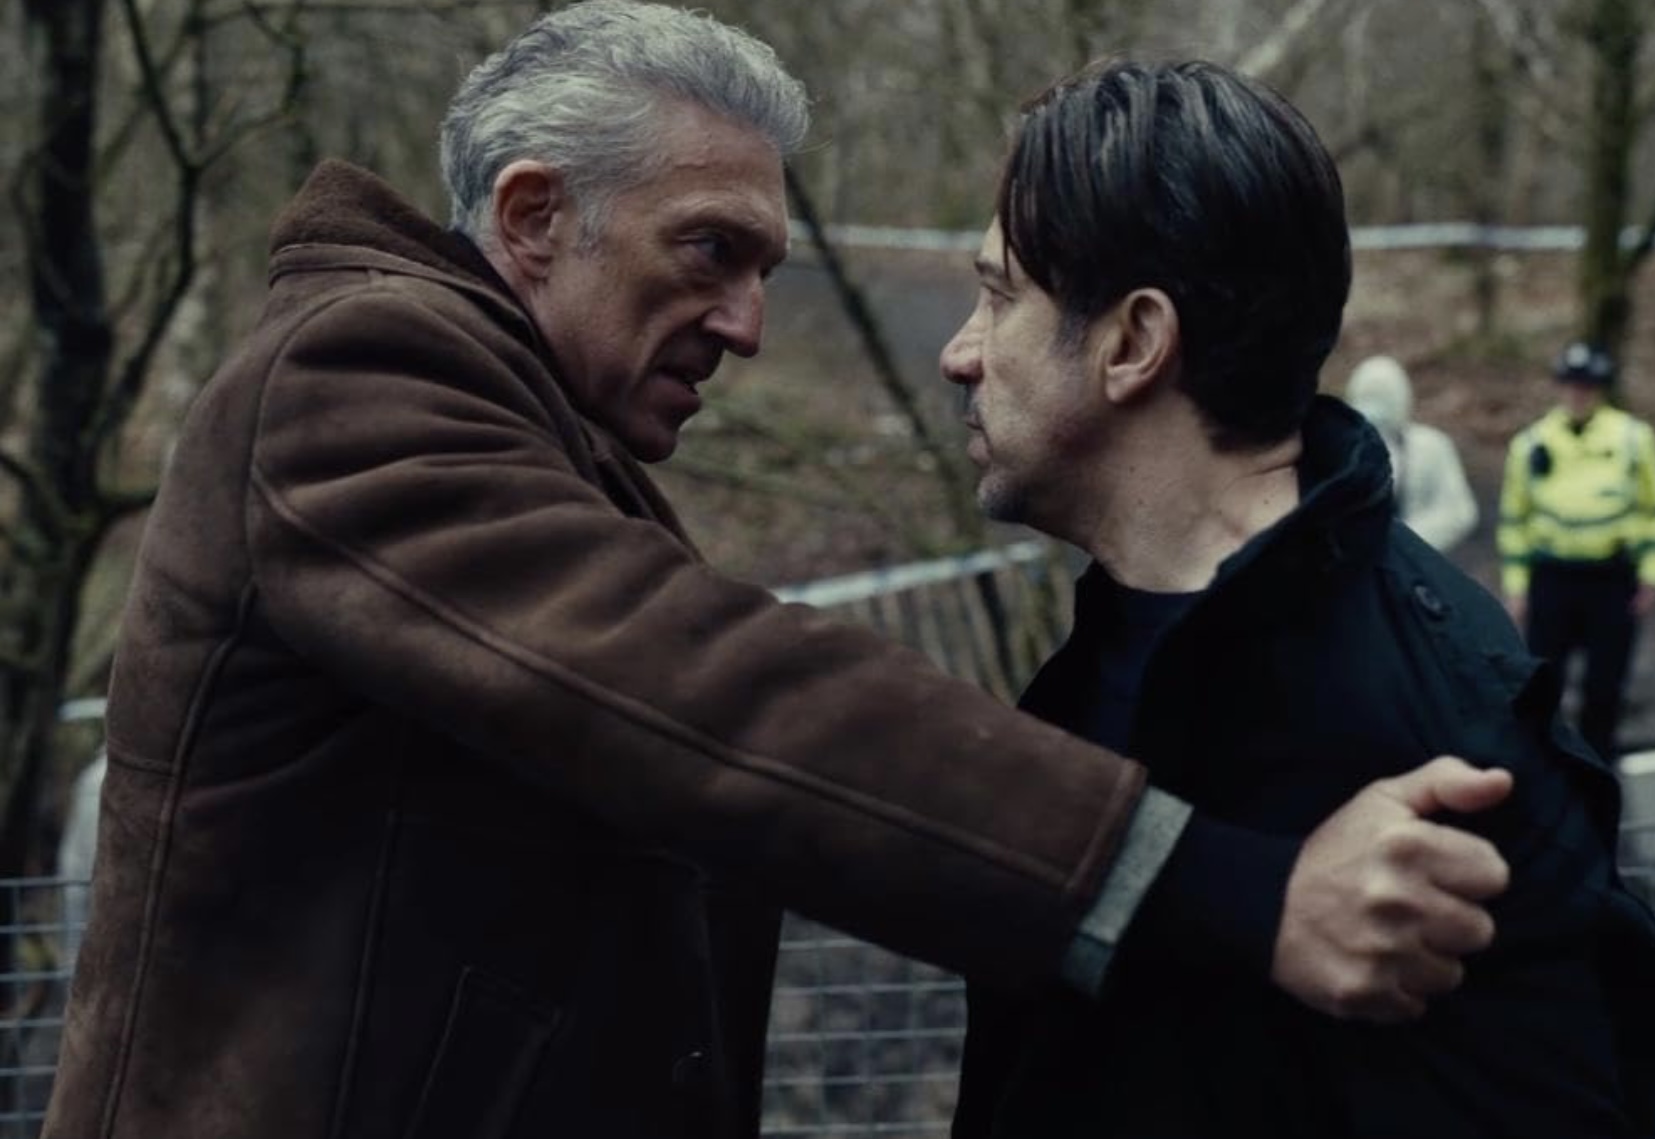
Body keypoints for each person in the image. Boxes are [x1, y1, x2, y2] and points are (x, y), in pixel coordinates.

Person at [42, 9, 1513, 1139]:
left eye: (764, 270)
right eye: (709, 251)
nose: (747, 324)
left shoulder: (533, 439)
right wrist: (1228, 885)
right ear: (535, 217)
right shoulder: (346, 380)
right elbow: (709, 689)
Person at [940, 59, 1655, 1138]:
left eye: (1000, 295)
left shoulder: (1451, 748)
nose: (959, 352)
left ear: (1133, 343)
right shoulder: (1098, 659)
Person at [1499, 341, 1655, 763]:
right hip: (1552, 577)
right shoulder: (1531, 443)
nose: (1578, 394)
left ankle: (1599, 767)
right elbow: (1514, 520)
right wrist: (1517, 586)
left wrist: (1653, 574)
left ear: (1601, 388)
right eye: (1571, 384)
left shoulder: (1632, 439)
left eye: (1587, 385)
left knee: (1604, 685)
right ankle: (1544, 768)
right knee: (1543, 680)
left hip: (1611, 577)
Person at [1345, 354, 1479, 553]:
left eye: (1384, 399)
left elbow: (1459, 511)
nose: (1376, 408)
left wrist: (1406, 541)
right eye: (1368, 398)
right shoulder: (1340, 450)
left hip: (1418, 559)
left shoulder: (1431, 447)